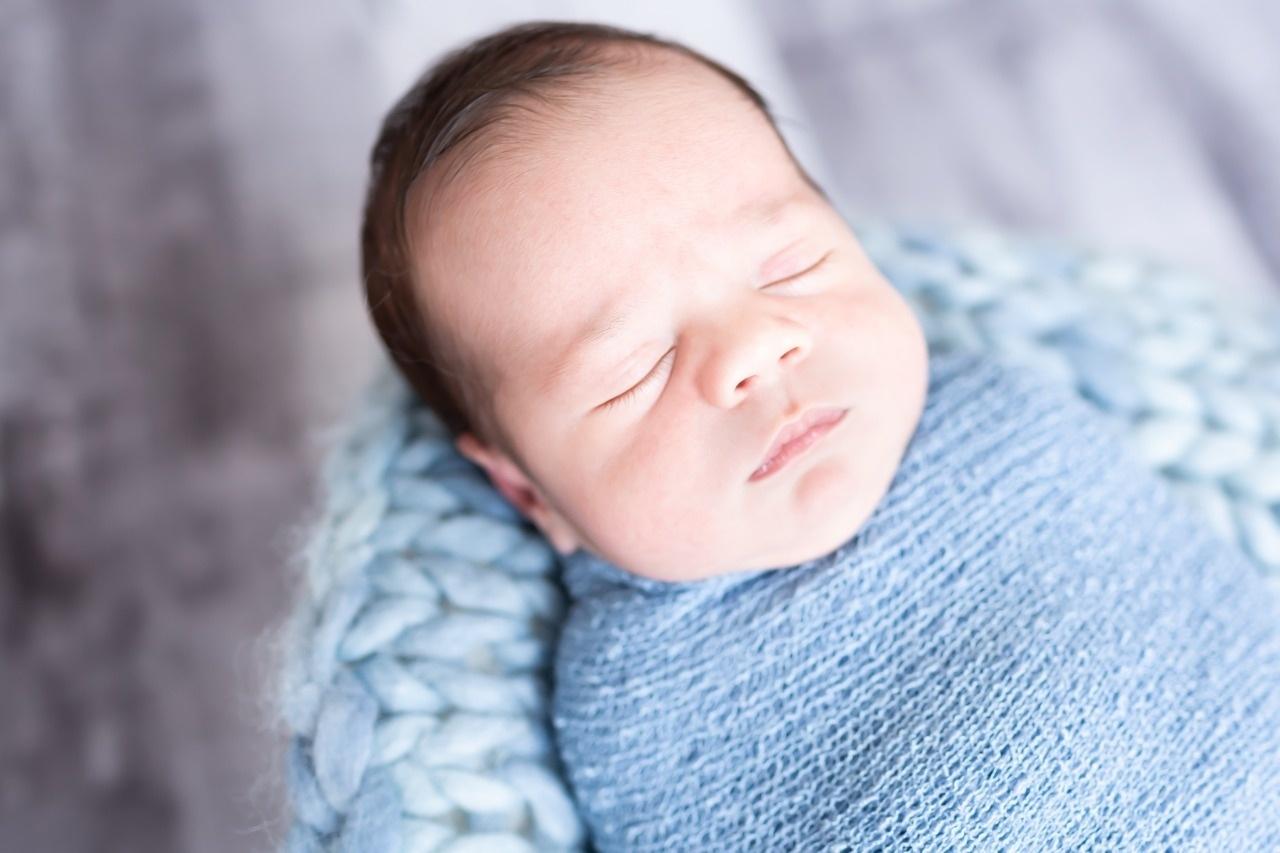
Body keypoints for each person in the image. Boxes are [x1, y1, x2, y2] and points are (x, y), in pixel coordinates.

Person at [359, 19, 1280, 850]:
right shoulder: (637, 706)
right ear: (529, 493)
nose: (754, 349)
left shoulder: (1016, 421)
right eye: (633, 367)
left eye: (790, 266)